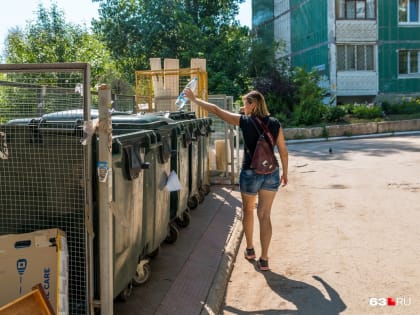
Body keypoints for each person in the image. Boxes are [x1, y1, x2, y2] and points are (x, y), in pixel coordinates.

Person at [184, 88, 288, 271]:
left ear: (253, 105)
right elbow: (283, 151)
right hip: (271, 172)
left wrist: (195, 99)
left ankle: (249, 250)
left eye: (245, 103)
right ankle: (264, 259)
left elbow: (216, 110)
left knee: (248, 210)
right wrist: (285, 173)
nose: (242, 106)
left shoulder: (244, 122)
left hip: (250, 172)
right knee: (265, 215)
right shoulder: (275, 123)